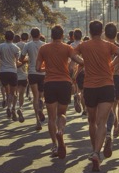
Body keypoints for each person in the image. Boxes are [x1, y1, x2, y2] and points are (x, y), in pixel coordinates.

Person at [75, 20, 119, 172]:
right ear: (101, 31)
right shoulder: (108, 45)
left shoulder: (84, 45)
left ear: (89, 31)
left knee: (92, 121)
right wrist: (111, 65)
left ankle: (93, 149)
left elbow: (72, 55)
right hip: (106, 86)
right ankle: (97, 152)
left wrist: (84, 62)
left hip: (90, 87)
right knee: (102, 122)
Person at [36, 25, 84, 159]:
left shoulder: (43, 48)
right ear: (63, 36)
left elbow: (37, 67)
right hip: (64, 83)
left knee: (51, 117)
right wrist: (74, 69)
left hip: (49, 83)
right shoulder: (68, 48)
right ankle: (61, 130)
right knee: (61, 114)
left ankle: (55, 145)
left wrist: (48, 69)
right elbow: (80, 61)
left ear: (51, 36)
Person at [104, 22, 119, 158]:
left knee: (109, 105)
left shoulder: (103, 46)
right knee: (117, 102)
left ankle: (112, 126)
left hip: (106, 78)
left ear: (105, 34)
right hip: (117, 77)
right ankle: (117, 122)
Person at [20, 27, 46, 131]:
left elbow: (21, 59)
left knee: (35, 96)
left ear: (31, 35)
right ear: (39, 35)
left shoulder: (27, 45)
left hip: (32, 72)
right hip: (42, 73)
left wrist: (28, 58)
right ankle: (41, 108)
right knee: (41, 96)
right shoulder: (44, 45)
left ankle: (37, 121)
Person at [0, 30, 20, 120]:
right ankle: (10, 107)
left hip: (3, 71)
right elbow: (17, 61)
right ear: (13, 37)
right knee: (12, 93)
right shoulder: (16, 48)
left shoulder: (0, 46)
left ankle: (9, 107)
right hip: (12, 71)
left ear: (5, 37)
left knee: (7, 91)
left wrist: (0, 63)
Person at [14, 33, 29, 123]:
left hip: (14, 75)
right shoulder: (25, 49)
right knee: (21, 94)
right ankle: (20, 107)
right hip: (23, 75)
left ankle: (13, 109)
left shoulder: (13, 49)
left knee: (14, 93)